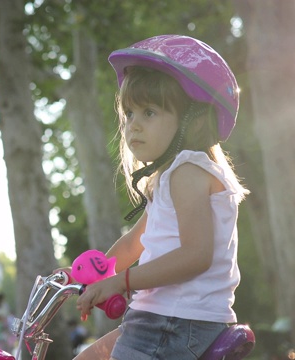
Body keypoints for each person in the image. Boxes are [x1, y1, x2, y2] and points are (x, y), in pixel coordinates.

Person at [72, 35, 249, 359]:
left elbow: (196, 255)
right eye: (129, 114)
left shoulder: (188, 172)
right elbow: (131, 245)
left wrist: (119, 283)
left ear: (193, 121)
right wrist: (84, 277)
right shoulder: (170, 177)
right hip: (161, 320)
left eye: (149, 112)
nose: (133, 126)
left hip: (176, 323)